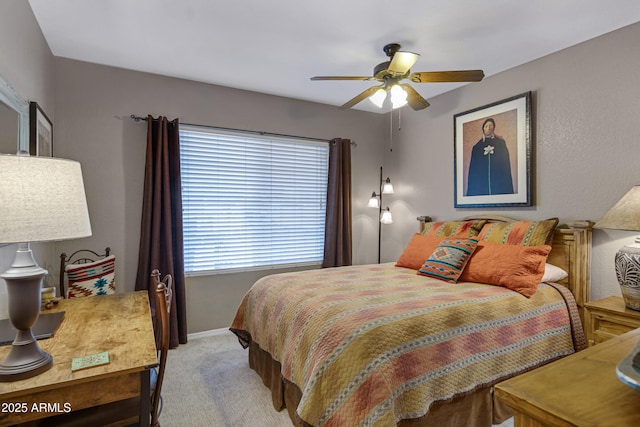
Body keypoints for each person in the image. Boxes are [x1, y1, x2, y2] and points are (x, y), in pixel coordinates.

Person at [466, 118, 514, 196]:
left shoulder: (500, 143)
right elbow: (474, 169)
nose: (488, 127)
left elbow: (505, 164)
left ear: (493, 128)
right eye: (486, 126)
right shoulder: (477, 147)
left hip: (498, 182)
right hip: (482, 183)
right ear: (483, 128)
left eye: (491, 125)